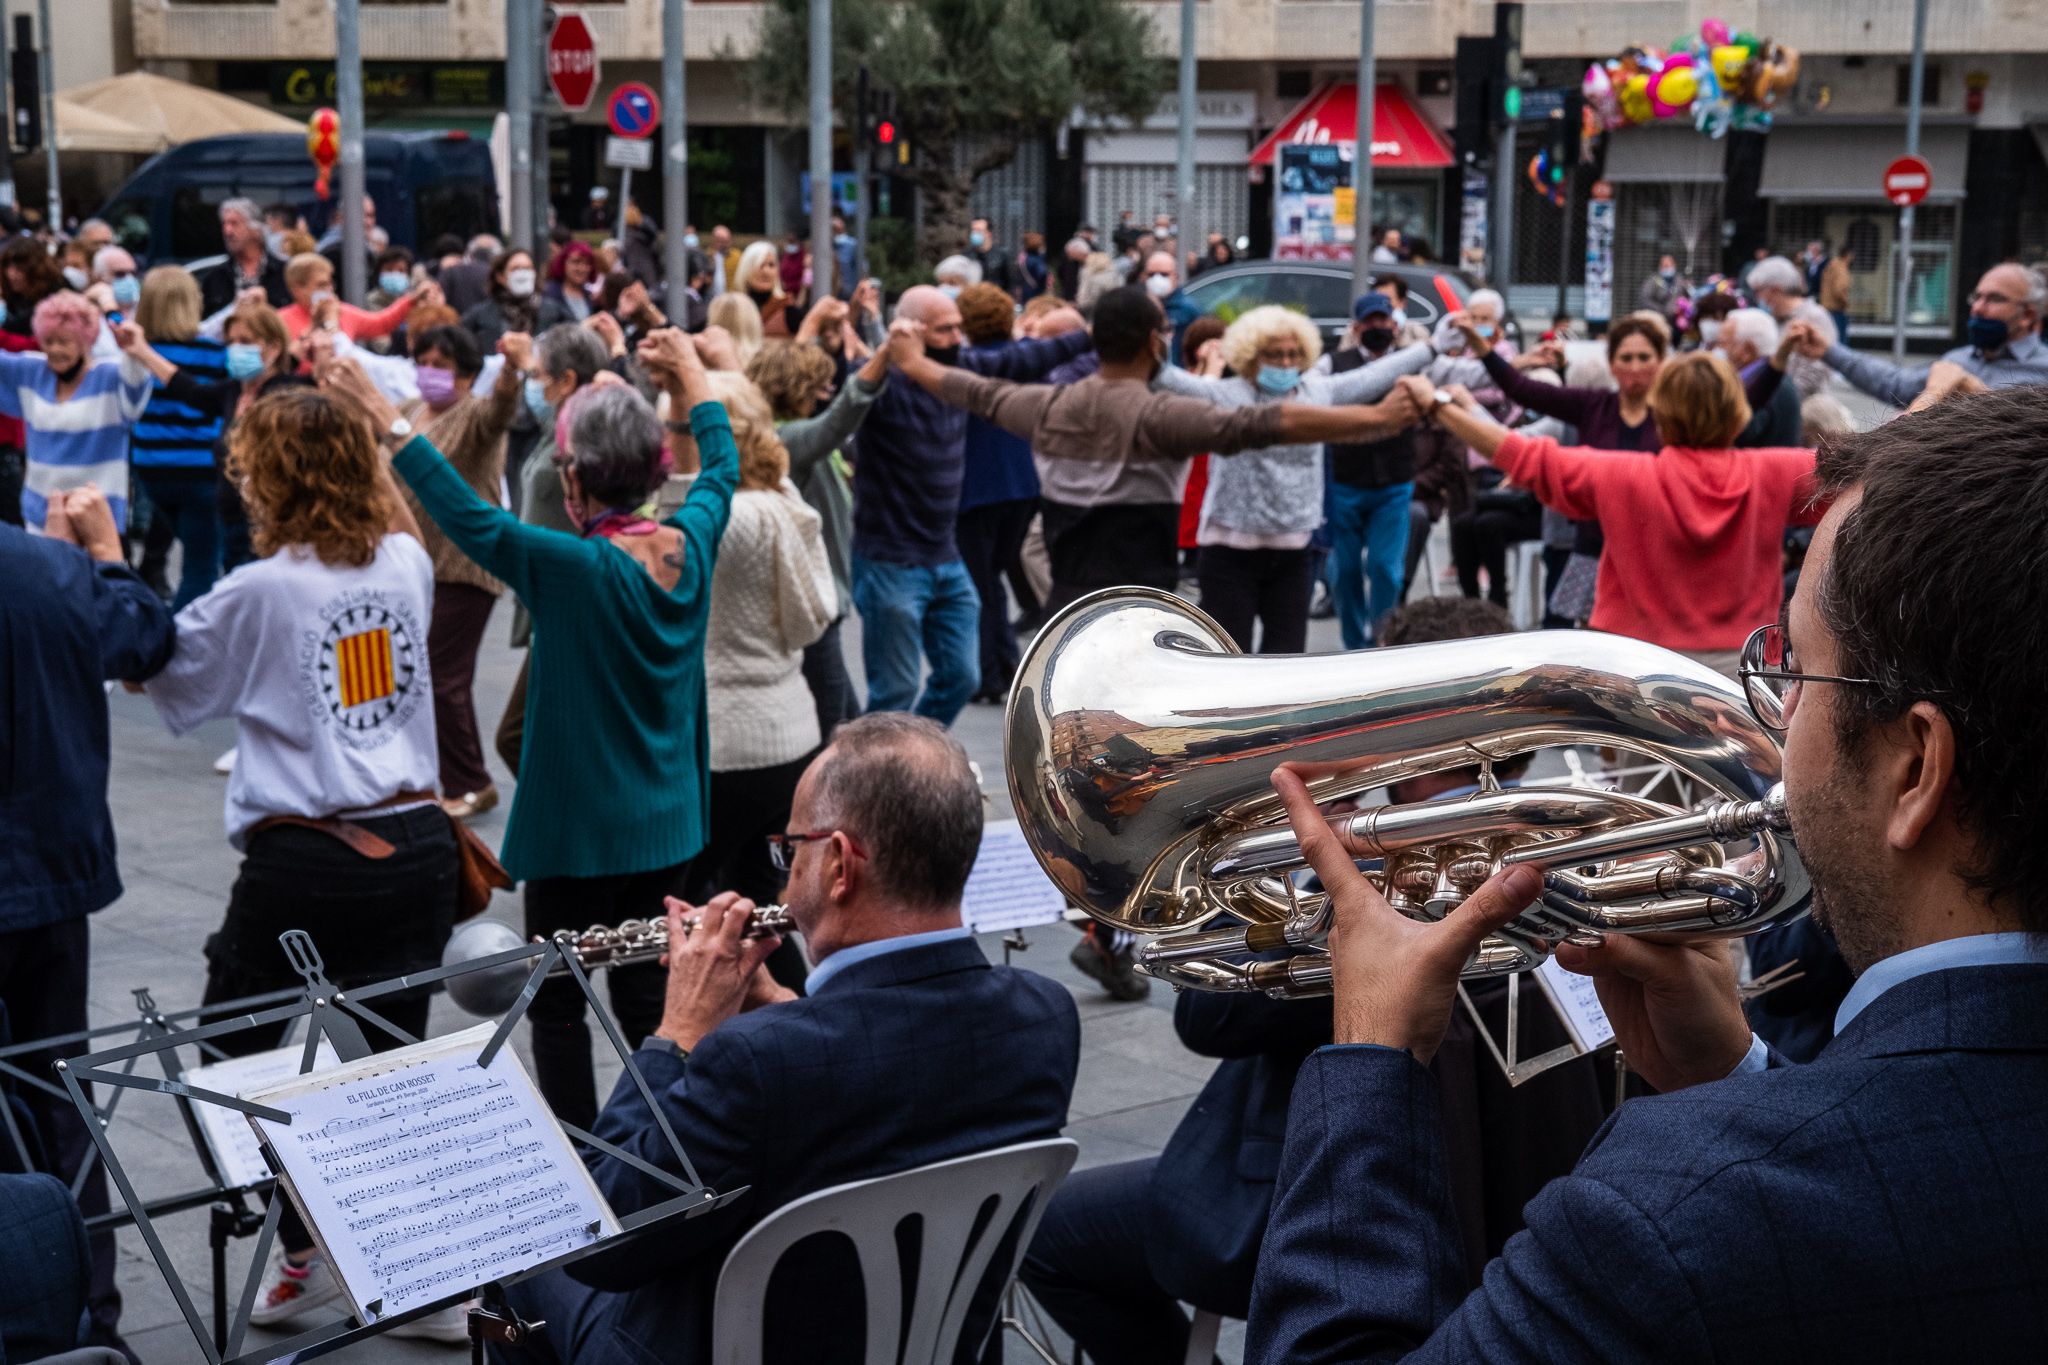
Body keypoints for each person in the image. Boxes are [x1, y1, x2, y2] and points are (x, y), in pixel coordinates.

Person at [1246, 381, 2048, 1364]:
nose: (1772, 720)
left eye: (1792, 671)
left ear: (1914, 768)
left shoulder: (1676, 1210)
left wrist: (1367, 1061)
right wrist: (1736, 1075)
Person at [496, 713, 1081, 1364]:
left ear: (836, 865)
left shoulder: (757, 1062)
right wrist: (792, 1009)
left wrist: (678, 1031)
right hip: (932, 1346)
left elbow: (603, 1238)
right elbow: (891, 1069)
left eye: (791, 849)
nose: (782, 877)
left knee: (525, 1248)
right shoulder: (1046, 1016)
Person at [137, 378, 466, 1340]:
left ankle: (308, 1249)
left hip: (309, 859)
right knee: (390, 1061)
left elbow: (165, 674)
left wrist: (112, 562)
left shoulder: (264, 587)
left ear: (265, 478)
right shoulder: (403, 560)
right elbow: (391, 524)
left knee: (232, 1064)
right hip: (417, 842)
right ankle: (417, 1271)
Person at [373, 328, 736, 1135]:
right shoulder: (696, 540)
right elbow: (722, 468)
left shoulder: (573, 567)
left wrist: (389, 422)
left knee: (560, 1003)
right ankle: (655, 1138)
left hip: (578, 835)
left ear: (575, 477)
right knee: (650, 994)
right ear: (650, 470)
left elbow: (469, 519)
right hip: (670, 823)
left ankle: (578, 1144)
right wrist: (691, 375)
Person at [895, 287, 1422, 620]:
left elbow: (973, 390)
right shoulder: (1161, 417)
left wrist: (914, 363)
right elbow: (1268, 422)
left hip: (1066, 609)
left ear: (1092, 341)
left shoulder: (1043, 406)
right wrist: (1381, 418)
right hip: (1144, 612)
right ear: (1154, 343)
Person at [4, 485, 173, 1356]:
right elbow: (144, 634)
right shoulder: (52, 566)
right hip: (47, 885)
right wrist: (105, 549)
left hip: (38, 876)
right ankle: (87, 1318)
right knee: (57, 1101)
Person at [1404, 352, 1819, 672]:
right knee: (1743, 786)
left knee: (1638, 784)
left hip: (1643, 666)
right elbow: (1866, 470)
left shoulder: (1623, 475)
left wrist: (1440, 405)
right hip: (1741, 663)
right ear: (1738, 412)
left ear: (1663, 412)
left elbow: (1519, 454)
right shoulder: (1776, 471)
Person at [846, 284, 1088, 722]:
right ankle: (876, 778)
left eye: (959, 326)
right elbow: (847, 401)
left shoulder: (961, 367)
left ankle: (915, 757)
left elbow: (1023, 357)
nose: (958, 338)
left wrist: (1095, 332)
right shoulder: (885, 383)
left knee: (961, 677)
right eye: (945, 330)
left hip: (944, 556)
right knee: (894, 690)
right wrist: (883, 351)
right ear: (914, 333)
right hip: (890, 562)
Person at [666, 376, 834, 964]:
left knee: (688, 902)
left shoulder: (723, 521)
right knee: (761, 904)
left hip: (725, 747)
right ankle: (788, 1019)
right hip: (790, 734)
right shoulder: (787, 504)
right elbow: (817, 618)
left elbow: (681, 513)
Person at [1154, 305, 1433, 654]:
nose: (1286, 364)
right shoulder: (1228, 394)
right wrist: (1144, 341)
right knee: (1226, 658)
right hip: (1229, 550)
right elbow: (1170, 379)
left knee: (1285, 658)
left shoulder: (1315, 392)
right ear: (1251, 356)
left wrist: (1430, 348)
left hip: (1293, 552)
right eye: (1274, 355)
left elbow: (1372, 376)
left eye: (1293, 354)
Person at [394, 325, 525, 819]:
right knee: (417, 672)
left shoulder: (475, 416)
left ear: (469, 374)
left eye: (441, 363)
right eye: (422, 358)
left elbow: (501, 410)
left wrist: (512, 370)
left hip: (465, 565)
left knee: (442, 674)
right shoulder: (408, 411)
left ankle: (472, 781)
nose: (430, 371)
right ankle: (437, 774)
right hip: (415, 566)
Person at [747, 332, 889, 739]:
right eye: (817, 384)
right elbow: (839, 418)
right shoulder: (787, 440)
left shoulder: (786, 435)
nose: (825, 391)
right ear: (795, 388)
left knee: (851, 722)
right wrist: (880, 360)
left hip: (824, 602)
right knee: (837, 730)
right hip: (816, 606)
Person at [954, 282, 1045, 703]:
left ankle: (989, 672)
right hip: (1020, 481)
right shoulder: (1021, 361)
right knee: (996, 579)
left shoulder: (963, 363)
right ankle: (1005, 661)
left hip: (977, 485)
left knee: (981, 583)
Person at [1787, 262, 2048, 408]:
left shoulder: (2042, 371)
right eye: (1977, 297)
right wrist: (1828, 351)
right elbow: (1895, 383)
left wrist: (1976, 393)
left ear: (2027, 315)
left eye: (1995, 299)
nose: (1978, 307)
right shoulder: (1958, 360)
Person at [0, 293, 151, 533]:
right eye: (48, 341)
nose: (55, 350)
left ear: (85, 341)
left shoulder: (110, 376)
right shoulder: (31, 371)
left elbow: (137, 385)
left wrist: (132, 349)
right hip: (42, 516)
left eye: (64, 341)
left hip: (97, 519)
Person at [129, 266, 231, 610]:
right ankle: (188, 642)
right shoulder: (215, 354)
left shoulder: (134, 356)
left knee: (189, 550)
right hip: (200, 469)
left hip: (151, 470)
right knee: (201, 567)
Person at [276, 252, 428, 343]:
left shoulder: (342, 311)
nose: (329, 290)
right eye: (321, 285)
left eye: (330, 283)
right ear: (297, 289)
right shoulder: (280, 321)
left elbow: (380, 324)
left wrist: (411, 300)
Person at [1746, 254, 1838, 398]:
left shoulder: (1813, 317)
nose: (1756, 298)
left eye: (1757, 291)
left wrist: (1772, 400)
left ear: (1774, 290)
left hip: (1804, 411)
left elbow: (1811, 377)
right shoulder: (1774, 319)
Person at [1716, 307, 1804, 448]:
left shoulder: (1769, 384)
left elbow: (1741, 433)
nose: (1718, 349)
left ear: (1747, 350)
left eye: (1723, 343)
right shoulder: (1763, 377)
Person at [461, 247, 572, 350]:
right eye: (516, 269)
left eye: (528, 268)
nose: (523, 273)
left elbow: (574, 333)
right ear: (500, 277)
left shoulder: (553, 310)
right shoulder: (482, 313)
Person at [198, 198, 291, 317]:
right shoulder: (214, 278)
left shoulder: (285, 274)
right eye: (224, 224)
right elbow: (205, 328)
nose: (227, 231)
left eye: (234, 223)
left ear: (256, 229)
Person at [1140, 249, 1200, 362]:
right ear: (1144, 277)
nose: (1157, 279)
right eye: (1151, 274)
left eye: (1164, 274)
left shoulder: (1189, 310)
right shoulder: (1137, 308)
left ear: (1175, 277)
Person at [735, 240, 796, 336]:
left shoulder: (789, 310)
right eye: (760, 265)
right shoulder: (733, 309)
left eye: (771, 265)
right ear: (746, 269)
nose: (766, 271)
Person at [437, 233, 501, 316]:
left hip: (455, 323)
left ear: (469, 253)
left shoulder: (450, 272)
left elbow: (439, 300)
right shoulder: (499, 276)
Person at [544, 240, 598, 322]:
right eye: (576, 262)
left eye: (587, 263)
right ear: (563, 264)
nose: (582, 268)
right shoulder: (550, 294)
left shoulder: (590, 297)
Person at [968, 215, 1017, 295]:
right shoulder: (967, 256)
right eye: (973, 230)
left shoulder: (1002, 255)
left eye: (979, 230)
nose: (974, 233)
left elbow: (1010, 284)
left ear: (989, 233)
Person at [1638, 251, 1690, 323]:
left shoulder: (1680, 280)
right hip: (1657, 319)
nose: (1668, 268)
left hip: (1677, 321)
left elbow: (1688, 297)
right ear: (1660, 266)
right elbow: (1645, 299)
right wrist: (1662, 310)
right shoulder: (1653, 281)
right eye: (1665, 266)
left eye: (1670, 265)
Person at [1056, 235, 1089, 302]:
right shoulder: (1071, 263)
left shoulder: (1091, 264)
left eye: (1070, 253)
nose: (1069, 256)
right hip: (1073, 298)